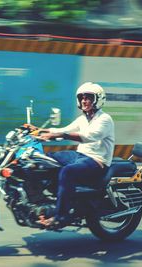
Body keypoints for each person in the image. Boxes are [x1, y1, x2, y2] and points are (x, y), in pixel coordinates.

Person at [36, 82, 115, 229]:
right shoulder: (83, 119)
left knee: (68, 171)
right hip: (80, 155)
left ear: (98, 99)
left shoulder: (104, 119)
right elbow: (63, 130)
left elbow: (89, 136)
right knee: (47, 159)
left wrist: (61, 134)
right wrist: (39, 131)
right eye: (82, 97)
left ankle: (61, 216)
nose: (84, 100)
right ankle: (50, 200)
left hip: (97, 161)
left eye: (88, 97)